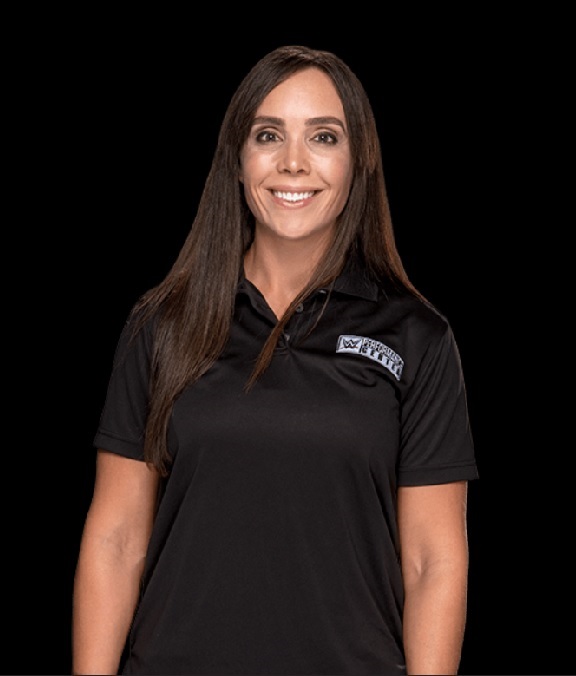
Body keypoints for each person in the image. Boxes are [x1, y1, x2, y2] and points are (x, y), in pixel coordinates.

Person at [72, 44, 479, 675]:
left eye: (323, 137)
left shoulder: (416, 336)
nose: (293, 162)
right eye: (268, 135)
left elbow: (433, 560)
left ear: (359, 163)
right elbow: (116, 540)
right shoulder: (162, 325)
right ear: (237, 161)